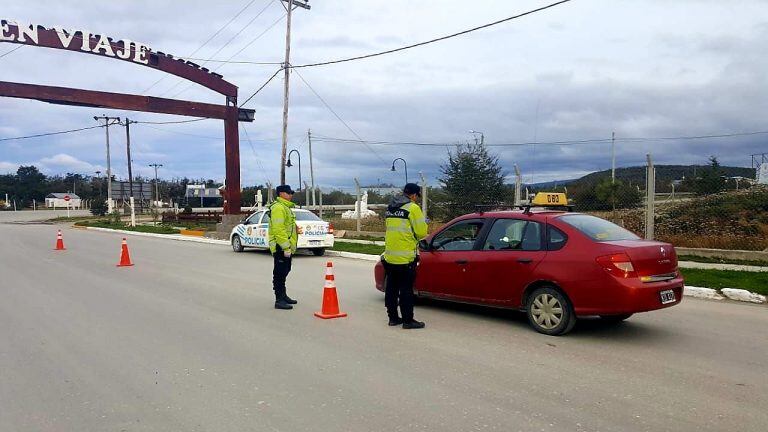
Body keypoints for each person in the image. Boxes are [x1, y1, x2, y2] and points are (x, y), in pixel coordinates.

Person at [383, 183, 429, 329]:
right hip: (406, 258)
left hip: (390, 257)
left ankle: (393, 318)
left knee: (391, 289)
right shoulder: (413, 208)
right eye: (416, 196)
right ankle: (408, 321)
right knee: (406, 290)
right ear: (414, 195)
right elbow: (421, 233)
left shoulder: (391, 207)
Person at [269, 185, 299, 310]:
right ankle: (279, 299)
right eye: (288, 193)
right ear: (281, 194)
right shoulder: (278, 208)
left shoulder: (286, 207)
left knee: (286, 270)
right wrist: (286, 246)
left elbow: (287, 226)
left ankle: (283, 295)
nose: (290, 195)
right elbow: (278, 229)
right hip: (281, 246)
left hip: (286, 246)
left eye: (291, 193)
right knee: (280, 273)